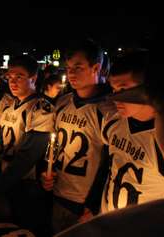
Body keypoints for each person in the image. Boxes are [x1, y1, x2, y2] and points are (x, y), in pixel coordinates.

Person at [0, 55, 55, 235]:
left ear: (33, 78)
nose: (13, 82)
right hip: (8, 179)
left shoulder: (41, 108)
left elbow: (28, 156)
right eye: (10, 77)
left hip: (29, 185)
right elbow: (7, 144)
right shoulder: (9, 107)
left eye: (19, 76)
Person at [43, 39, 115, 234]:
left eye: (78, 67)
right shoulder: (63, 102)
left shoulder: (109, 109)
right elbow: (54, 144)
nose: (71, 73)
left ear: (96, 67)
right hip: (59, 194)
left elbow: (113, 162)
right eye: (68, 68)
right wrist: (46, 171)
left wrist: (94, 203)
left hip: (86, 205)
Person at [100, 49, 164, 213]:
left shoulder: (162, 138)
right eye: (114, 90)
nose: (117, 98)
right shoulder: (112, 121)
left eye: (124, 90)